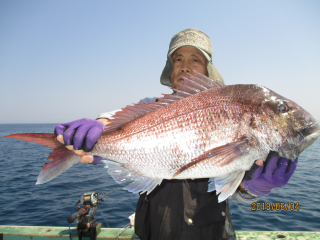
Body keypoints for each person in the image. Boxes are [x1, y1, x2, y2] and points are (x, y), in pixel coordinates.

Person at [55, 29, 297, 240]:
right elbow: (121, 116)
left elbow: (235, 191)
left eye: (196, 58)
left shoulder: (230, 106)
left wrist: (257, 188)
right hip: (152, 231)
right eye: (178, 58)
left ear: (208, 70)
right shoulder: (153, 104)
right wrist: (98, 126)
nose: (185, 65)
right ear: (171, 70)